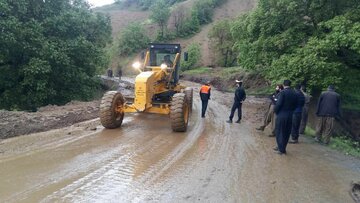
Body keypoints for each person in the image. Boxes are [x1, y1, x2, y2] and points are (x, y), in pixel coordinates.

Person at [274, 80, 297, 155]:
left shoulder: (282, 93)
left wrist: (276, 111)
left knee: (279, 131)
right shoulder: (294, 93)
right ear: (290, 85)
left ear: (284, 85)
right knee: (287, 132)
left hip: (282, 114)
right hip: (290, 115)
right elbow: (296, 105)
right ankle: (283, 147)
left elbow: (278, 104)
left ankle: (281, 149)